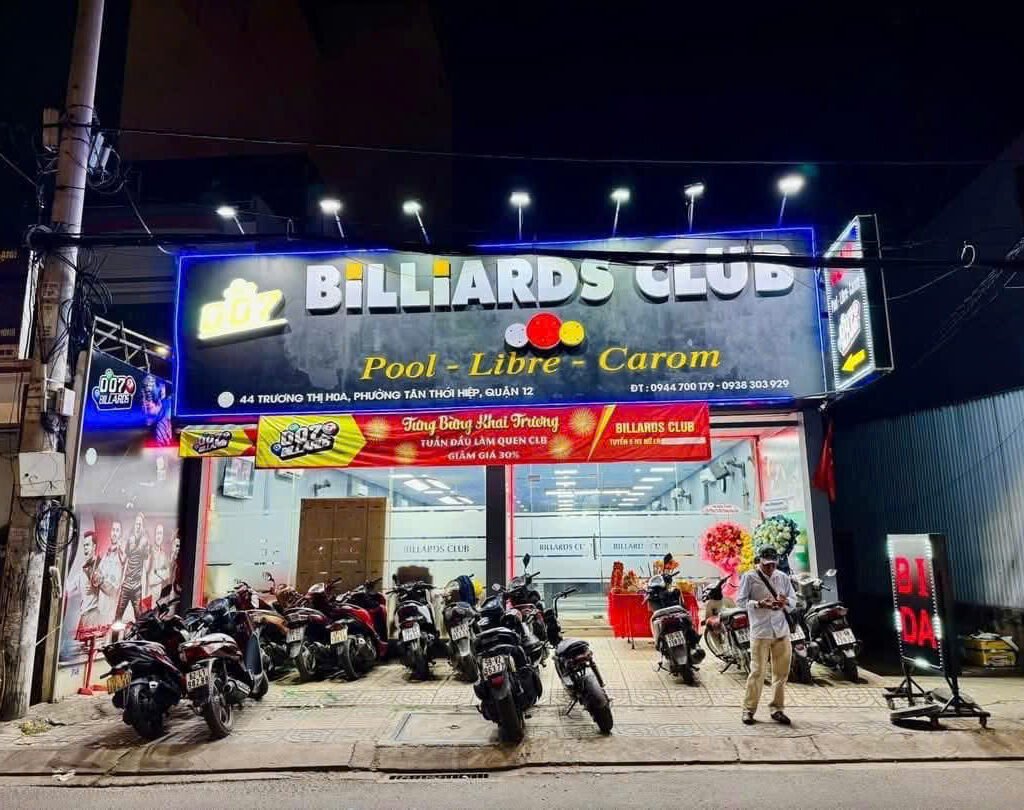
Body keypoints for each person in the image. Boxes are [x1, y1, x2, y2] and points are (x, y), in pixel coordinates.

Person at [736, 546, 796, 725]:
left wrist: (785, 602)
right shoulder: (749, 577)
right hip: (761, 631)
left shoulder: (782, 577)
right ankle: (748, 710)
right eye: (767, 564)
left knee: (781, 674)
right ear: (760, 561)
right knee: (757, 672)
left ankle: (777, 709)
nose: (770, 567)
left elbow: (793, 601)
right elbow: (740, 602)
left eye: (773, 564)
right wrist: (759, 604)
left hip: (781, 631)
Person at [115, 512, 150, 625]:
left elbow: (147, 567)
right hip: (126, 585)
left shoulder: (145, 541)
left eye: (140, 524)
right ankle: (115, 636)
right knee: (117, 617)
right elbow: (123, 561)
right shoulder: (130, 540)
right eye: (136, 524)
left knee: (139, 619)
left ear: (143, 526)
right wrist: (119, 549)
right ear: (134, 525)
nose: (138, 526)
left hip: (136, 587)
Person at [97, 519, 125, 625]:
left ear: (120, 534)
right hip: (100, 607)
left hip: (110, 610)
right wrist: (99, 579)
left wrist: (100, 580)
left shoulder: (121, 556)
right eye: (113, 530)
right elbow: (96, 576)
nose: (114, 533)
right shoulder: (106, 554)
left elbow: (112, 589)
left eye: (117, 530)